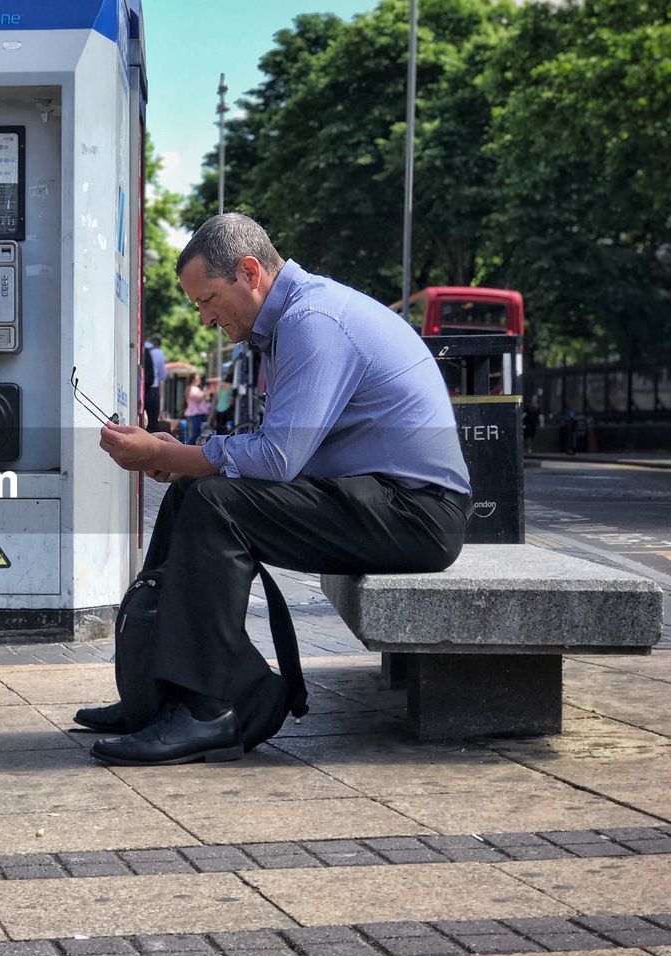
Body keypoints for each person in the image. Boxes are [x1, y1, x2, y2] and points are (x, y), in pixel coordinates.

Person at [81, 213, 472, 766]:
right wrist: (182, 462)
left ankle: (208, 710)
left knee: (217, 506)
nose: (205, 316)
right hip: (384, 498)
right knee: (192, 494)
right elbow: (276, 448)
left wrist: (171, 454)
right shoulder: (295, 320)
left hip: (418, 513)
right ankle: (154, 692)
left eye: (209, 299)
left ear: (249, 272)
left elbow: (277, 460)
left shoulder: (314, 321)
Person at [143, 336, 167, 431]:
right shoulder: (158, 353)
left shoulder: (140, 349)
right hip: (152, 389)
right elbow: (163, 375)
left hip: (137, 388)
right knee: (153, 421)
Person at [183, 370, 210, 443]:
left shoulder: (194, 388)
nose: (199, 380)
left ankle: (188, 447)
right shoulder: (191, 388)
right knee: (196, 433)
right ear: (193, 380)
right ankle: (187, 447)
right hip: (194, 413)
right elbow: (198, 399)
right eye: (197, 379)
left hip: (197, 413)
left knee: (197, 433)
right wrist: (204, 393)